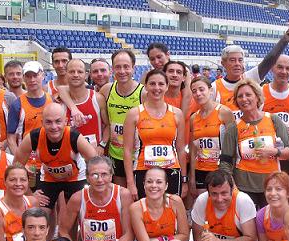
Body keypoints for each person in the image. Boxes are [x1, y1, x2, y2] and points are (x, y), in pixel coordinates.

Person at [58, 156, 140, 241]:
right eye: (94, 175)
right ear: (88, 177)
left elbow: (129, 233)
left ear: (111, 176)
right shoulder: (78, 198)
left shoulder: (123, 195)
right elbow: (63, 230)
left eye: (104, 174)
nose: (100, 179)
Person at [219, 80, 289, 209]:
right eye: (240, 96)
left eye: (248, 95)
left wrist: (275, 152)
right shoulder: (234, 128)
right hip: (244, 186)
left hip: (272, 186)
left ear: (257, 96)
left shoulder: (272, 119)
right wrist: (232, 186)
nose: (244, 99)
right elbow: (225, 161)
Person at [14, 103, 95, 219]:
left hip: (75, 177)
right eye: (48, 122)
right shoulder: (34, 137)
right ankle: (47, 236)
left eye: (58, 121)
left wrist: (92, 188)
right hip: (49, 178)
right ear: (42, 122)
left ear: (66, 121)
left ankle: (70, 236)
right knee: (40, 212)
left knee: (73, 215)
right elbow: (16, 167)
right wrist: (29, 194)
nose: (54, 126)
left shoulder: (74, 137)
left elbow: (96, 163)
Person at [212, 15, 289, 116]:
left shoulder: (250, 78)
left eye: (240, 60)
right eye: (232, 60)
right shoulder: (215, 88)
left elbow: (270, 59)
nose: (237, 64)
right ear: (223, 63)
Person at [124, 69, 186, 199]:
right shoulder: (134, 114)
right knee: (145, 212)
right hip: (143, 170)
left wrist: (184, 179)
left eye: (161, 84)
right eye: (152, 84)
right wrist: (130, 182)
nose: (156, 88)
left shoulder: (177, 113)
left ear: (167, 86)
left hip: (172, 171)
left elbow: (181, 149)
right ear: (145, 86)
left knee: (170, 212)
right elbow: (127, 150)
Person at [93, 49, 144, 187]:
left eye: (126, 67)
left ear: (133, 68)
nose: (122, 71)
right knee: (122, 194)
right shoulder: (107, 90)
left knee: (138, 194)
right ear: (112, 69)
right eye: (118, 67)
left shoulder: (143, 93)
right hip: (115, 154)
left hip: (137, 155)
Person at [188, 76, 235, 201]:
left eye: (201, 89)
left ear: (210, 91)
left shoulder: (224, 112)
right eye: (194, 91)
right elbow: (193, 150)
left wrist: (230, 171)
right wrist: (192, 177)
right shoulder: (193, 118)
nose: (198, 93)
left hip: (219, 169)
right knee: (203, 204)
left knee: (221, 202)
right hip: (201, 169)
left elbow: (233, 144)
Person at [262, 54, 289, 182]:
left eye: (287, 68)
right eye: (280, 67)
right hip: (268, 153)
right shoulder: (260, 92)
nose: (284, 72)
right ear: (272, 68)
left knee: (288, 193)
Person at [6, 61, 53, 154]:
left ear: (42, 75)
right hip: (27, 158)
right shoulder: (17, 105)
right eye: (28, 76)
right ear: (24, 78)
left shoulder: (51, 101)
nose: (32, 80)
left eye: (35, 75)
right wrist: (19, 161)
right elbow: (10, 138)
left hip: (49, 157)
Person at [63, 59, 110, 151]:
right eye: (72, 72)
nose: (76, 75)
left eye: (80, 72)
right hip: (71, 157)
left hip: (95, 157)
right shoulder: (60, 102)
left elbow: (108, 125)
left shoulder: (98, 98)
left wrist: (102, 145)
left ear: (86, 75)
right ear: (66, 74)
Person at [256, 171, 289, 241]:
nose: (273, 193)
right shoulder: (261, 215)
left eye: (278, 189)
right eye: (269, 189)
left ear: (288, 193)